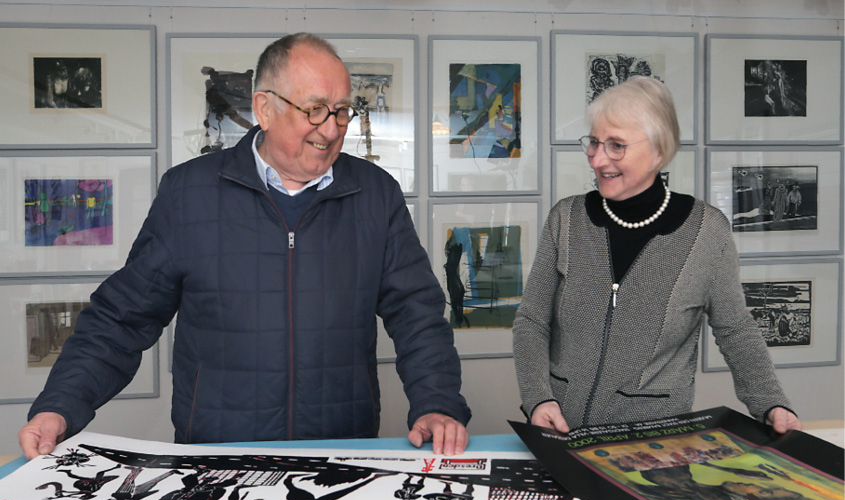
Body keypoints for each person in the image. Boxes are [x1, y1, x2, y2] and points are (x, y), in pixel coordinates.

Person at [19, 33, 471, 460]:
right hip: (217, 459)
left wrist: (437, 403)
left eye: (341, 110)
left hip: (339, 454)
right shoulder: (189, 193)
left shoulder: (375, 193)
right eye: (315, 109)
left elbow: (416, 314)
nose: (331, 129)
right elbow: (122, 318)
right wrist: (59, 406)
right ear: (265, 109)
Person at [512, 76, 800, 436]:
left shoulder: (707, 231)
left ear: (659, 151)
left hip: (653, 443)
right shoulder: (566, 219)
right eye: (595, 142)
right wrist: (539, 398)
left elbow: (735, 329)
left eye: (617, 145)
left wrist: (771, 402)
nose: (598, 159)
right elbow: (532, 321)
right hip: (559, 431)